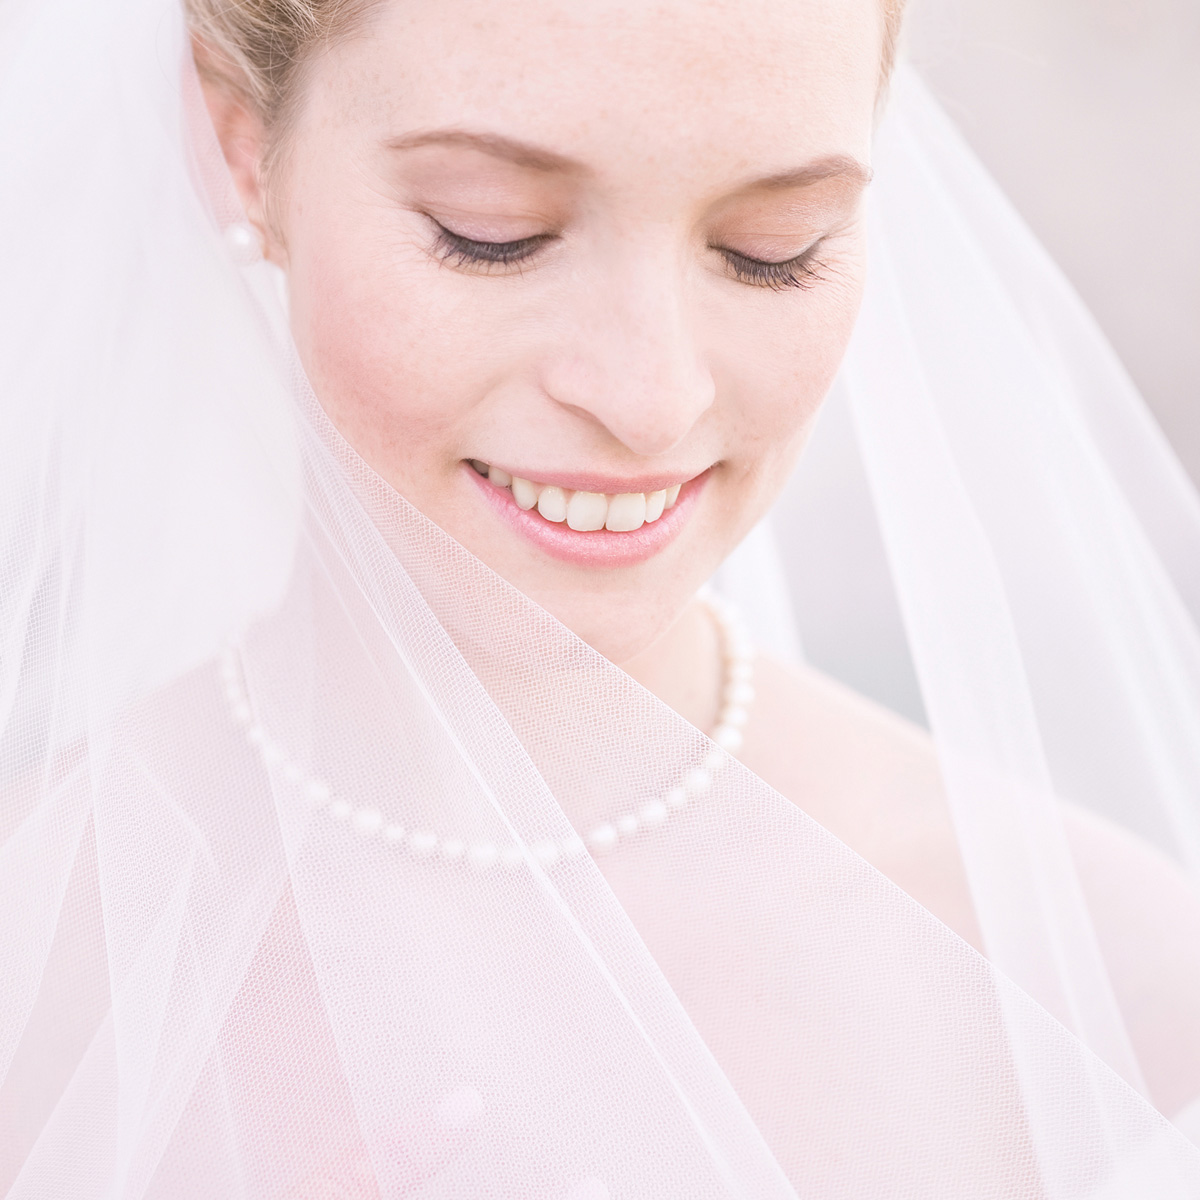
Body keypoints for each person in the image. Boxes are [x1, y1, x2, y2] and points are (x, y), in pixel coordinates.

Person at [3, 0, 1200, 1194]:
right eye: (493, 233)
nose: (650, 397)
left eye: (774, 246)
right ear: (240, 149)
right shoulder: (36, 945)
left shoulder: (1111, 1002)